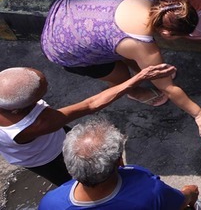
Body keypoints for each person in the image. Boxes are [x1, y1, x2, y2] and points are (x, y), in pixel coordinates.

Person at [40, 0, 201, 136]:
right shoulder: (140, 45)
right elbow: (169, 89)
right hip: (61, 45)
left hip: (68, 6)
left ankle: (139, 70)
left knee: (119, 46)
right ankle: (134, 92)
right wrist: (199, 114)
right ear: (166, 33)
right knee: (121, 76)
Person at [0, 64, 176, 186]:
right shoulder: (36, 125)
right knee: (81, 180)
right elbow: (91, 104)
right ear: (17, 110)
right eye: (41, 92)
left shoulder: (13, 107)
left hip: (53, 136)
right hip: (47, 158)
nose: (48, 87)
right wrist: (137, 79)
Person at [39, 118, 200, 209]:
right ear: (120, 161)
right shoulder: (148, 189)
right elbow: (179, 202)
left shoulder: (50, 202)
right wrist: (190, 192)